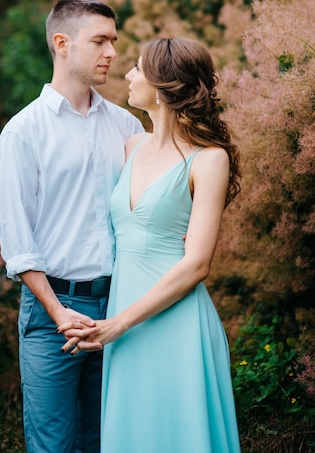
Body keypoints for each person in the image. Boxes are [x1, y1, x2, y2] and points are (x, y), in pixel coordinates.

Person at [60, 36, 242, 452]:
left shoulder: (209, 158)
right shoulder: (132, 145)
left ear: (162, 87)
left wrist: (116, 324)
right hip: (122, 324)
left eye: (138, 68)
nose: (127, 74)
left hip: (176, 323)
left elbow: (197, 264)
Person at [0, 0, 143, 453]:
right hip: (50, 315)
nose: (112, 53)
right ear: (62, 43)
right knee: (53, 443)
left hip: (118, 309)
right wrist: (60, 314)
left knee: (107, 440)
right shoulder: (23, 132)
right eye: (100, 41)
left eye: (114, 41)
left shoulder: (125, 125)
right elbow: (18, 242)